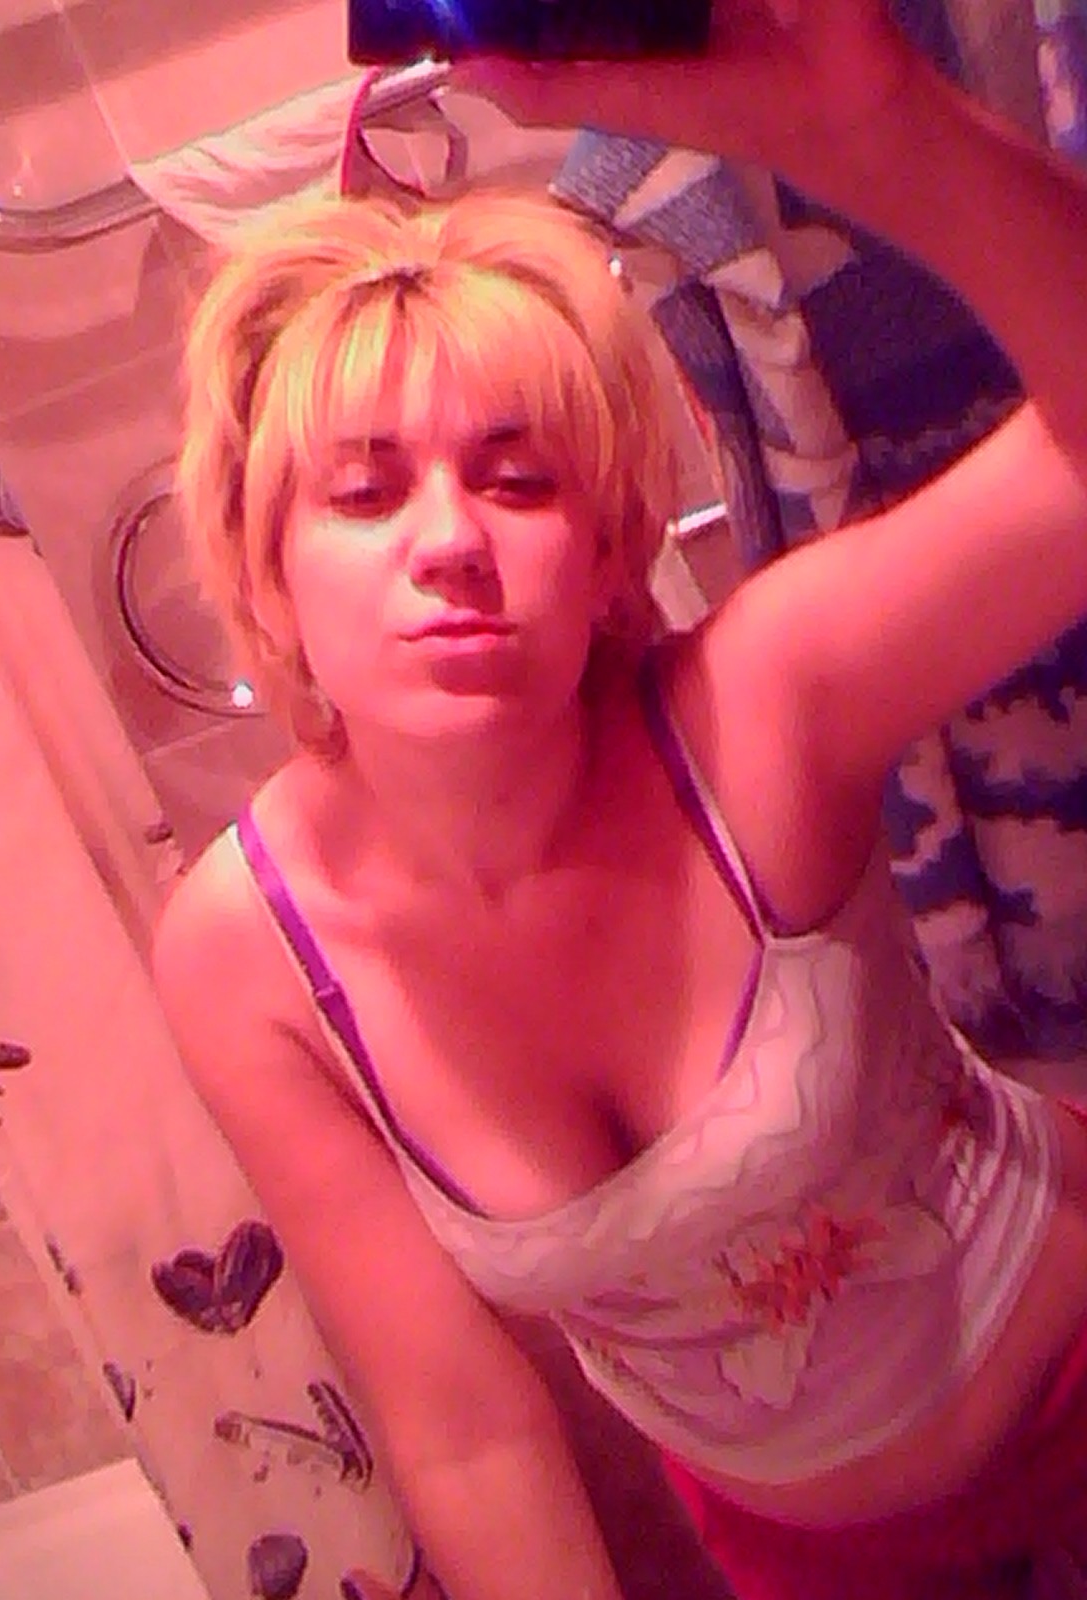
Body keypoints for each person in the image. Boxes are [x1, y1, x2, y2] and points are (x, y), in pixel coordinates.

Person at [152, 4, 1087, 1596]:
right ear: (266, 573)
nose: (451, 541)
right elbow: (466, 1431)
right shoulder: (243, 957)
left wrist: (876, 122)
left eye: (519, 479)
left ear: (605, 557)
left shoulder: (759, 708)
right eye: (365, 491)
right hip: (799, 1563)